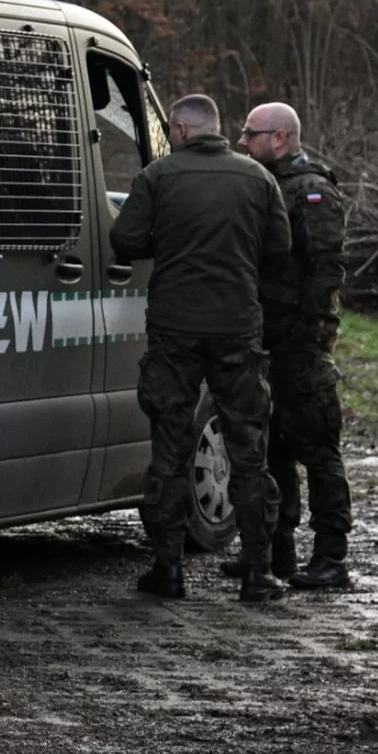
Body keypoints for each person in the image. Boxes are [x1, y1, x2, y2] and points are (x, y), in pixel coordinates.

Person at [109, 93, 293, 602]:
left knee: (169, 449)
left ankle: (168, 570)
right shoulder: (259, 179)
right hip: (237, 328)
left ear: (182, 130)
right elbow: (280, 251)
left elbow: (124, 239)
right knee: (248, 450)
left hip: (174, 330)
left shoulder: (158, 177)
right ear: (217, 128)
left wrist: (167, 243)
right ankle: (257, 572)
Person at [235, 102, 353, 591]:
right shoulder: (269, 184)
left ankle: (330, 557)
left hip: (299, 344)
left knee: (318, 450)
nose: (242, 142)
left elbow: (325, 269)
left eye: (251, 134)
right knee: (273, 447)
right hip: (269, 337)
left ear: (280, 138)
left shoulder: (311, 192)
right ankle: (276, 552)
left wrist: (309, 333)